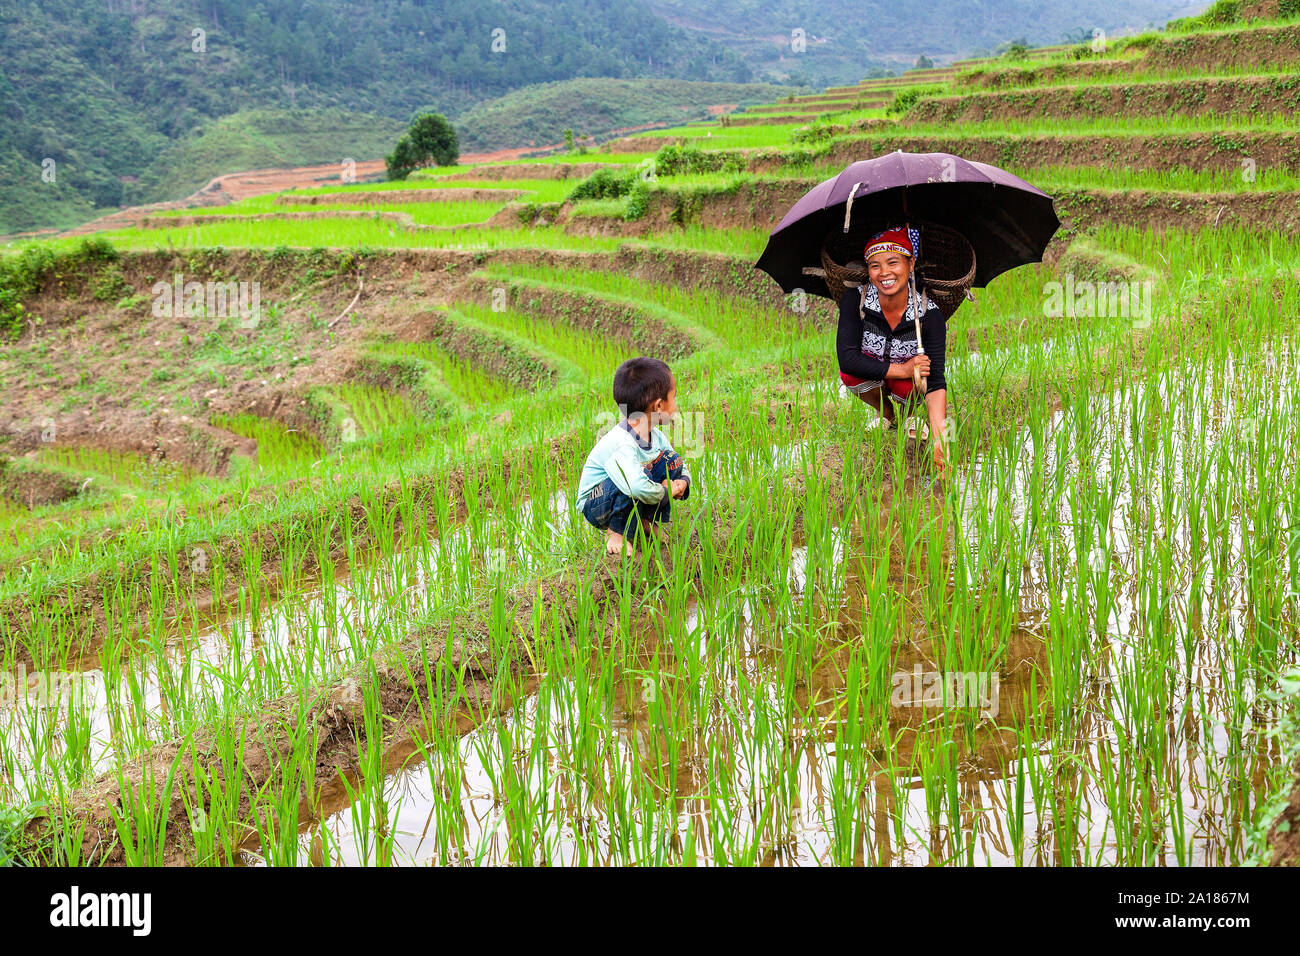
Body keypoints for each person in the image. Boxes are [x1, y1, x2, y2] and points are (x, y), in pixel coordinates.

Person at [836, 224, 949, 473]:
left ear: (910, 264)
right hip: (874, 373)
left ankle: (911, 414)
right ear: (868, 270)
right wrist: (905, 368)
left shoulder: (929, 314)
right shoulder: (857, 300)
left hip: (908, 386)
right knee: (850, 374)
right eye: (875, 266)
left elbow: (937, 382)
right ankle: (886, 412)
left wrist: (941, 443)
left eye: (893, 262)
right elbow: (847, 360)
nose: (884, 272)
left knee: (920, 376)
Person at [578, 357, 691, 556]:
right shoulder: (621, 443)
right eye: (673, 397)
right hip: (596, 503)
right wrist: (665, 491)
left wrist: (682, 482)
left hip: (628, 485)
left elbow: (677, 462)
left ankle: (644, 521)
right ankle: (616, 532)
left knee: (670, 460)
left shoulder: (655, 435)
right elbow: (634, 486)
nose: (675, 403)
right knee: (629, 482)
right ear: (658, 406)